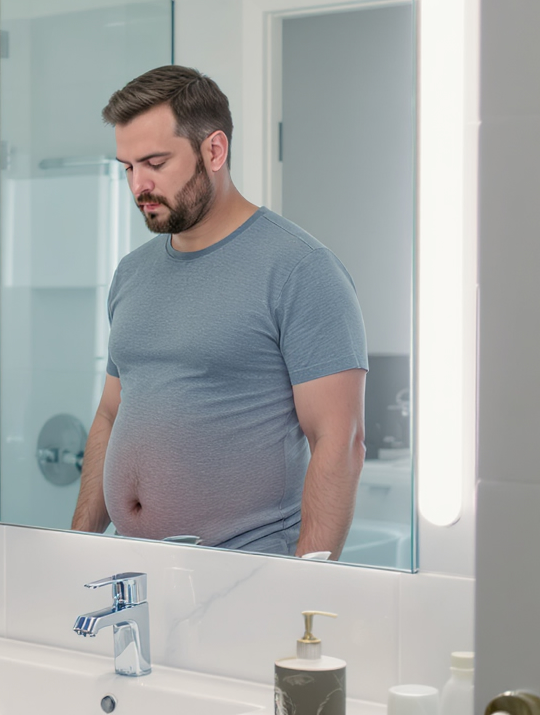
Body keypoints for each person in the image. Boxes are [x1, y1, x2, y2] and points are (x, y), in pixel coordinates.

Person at [69, 65, 368, 559]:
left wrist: (306, 590)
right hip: (134, 570)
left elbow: (340, 440)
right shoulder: (132, 273)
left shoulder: (300, 269)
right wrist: (77, 549)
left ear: (214, 150)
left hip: (246, 568)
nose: (138, 184)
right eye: (126, 166)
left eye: (155, 162)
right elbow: (110, 413)